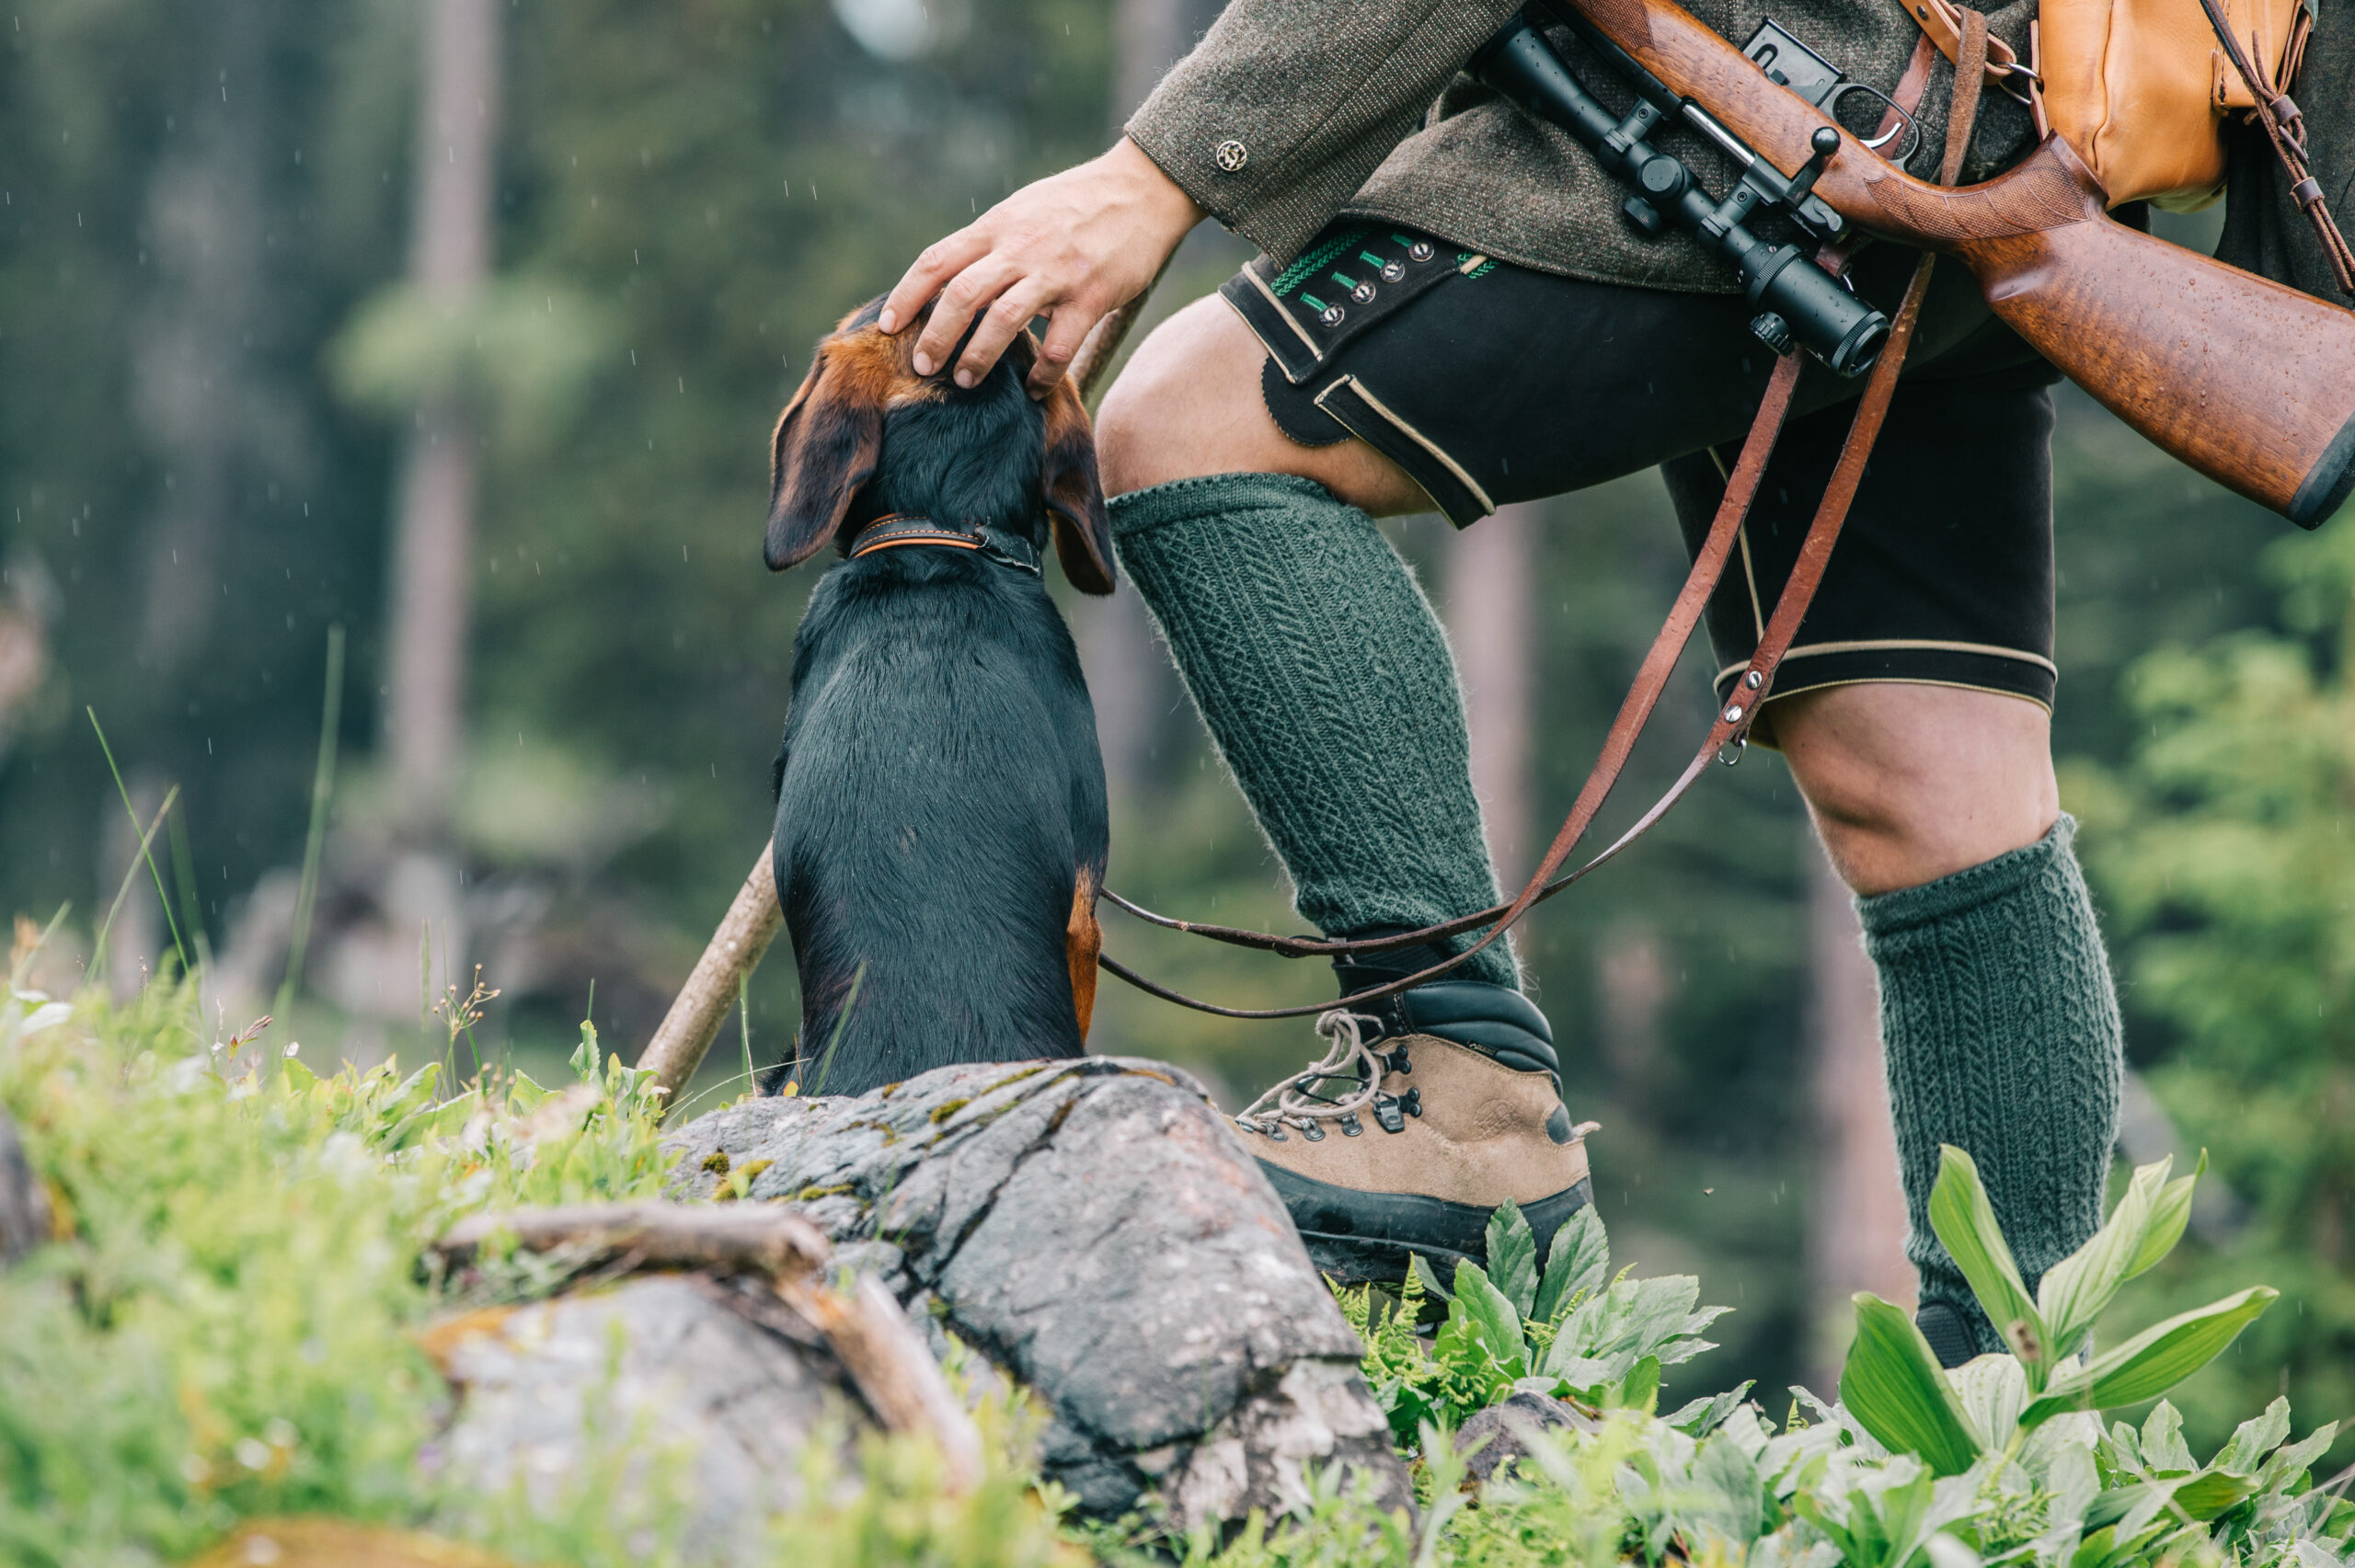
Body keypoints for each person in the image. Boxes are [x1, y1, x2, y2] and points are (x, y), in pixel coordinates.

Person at [877, 0, 2120, 1366]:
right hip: (1984, 144)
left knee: (1189, 427)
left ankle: (1464, 1101)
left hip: (1798, 114)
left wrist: (1153, 173)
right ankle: (2016, 1429)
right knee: (1930, 782)